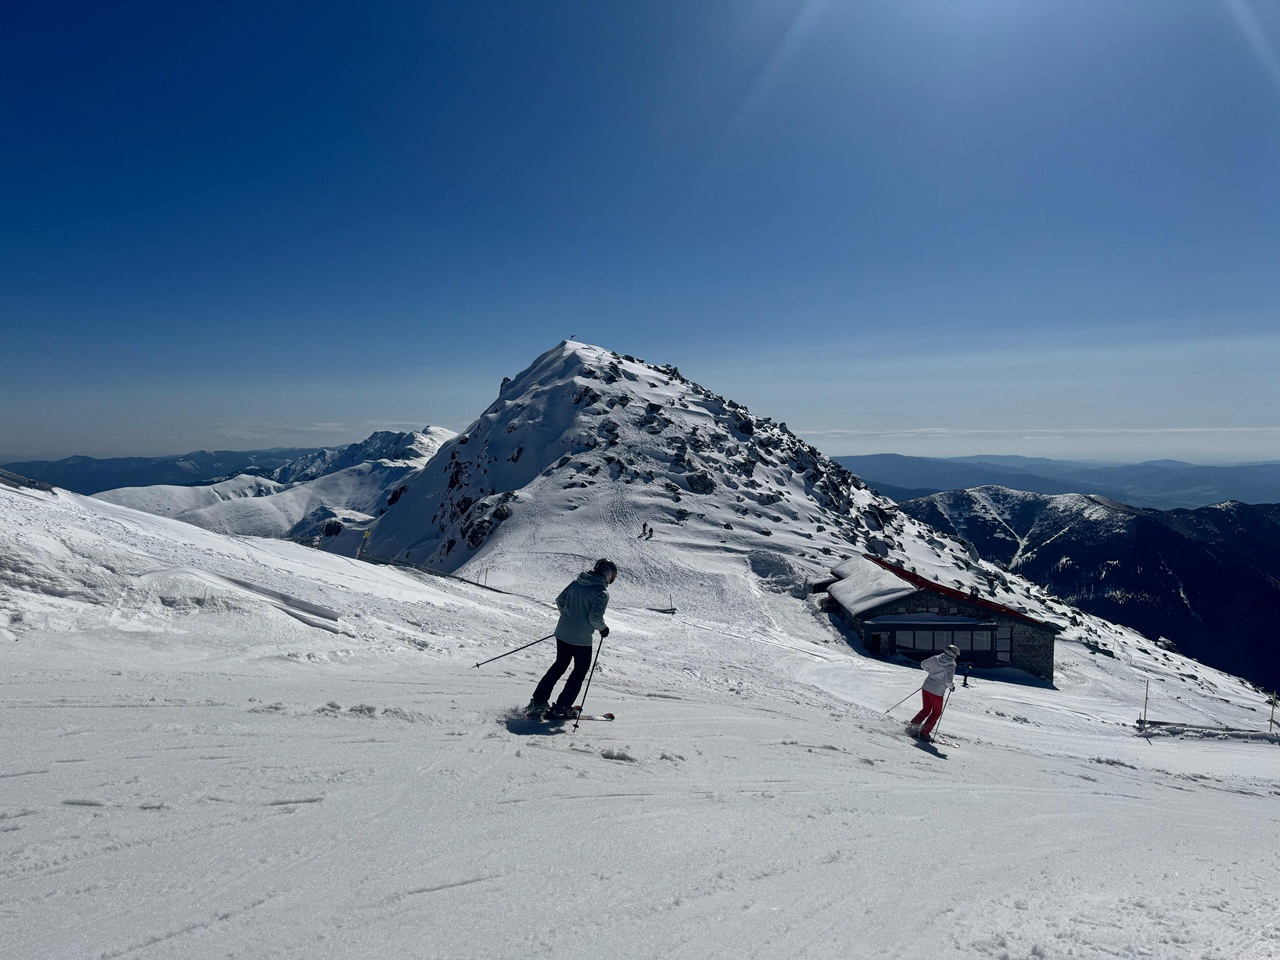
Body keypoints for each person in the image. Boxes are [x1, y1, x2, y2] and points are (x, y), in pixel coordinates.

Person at [526, 559, 617, 719]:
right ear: (609, 575)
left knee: (559, 665)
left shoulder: (577, 583)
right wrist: (603, 629)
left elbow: (560, 601)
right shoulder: (601, 592)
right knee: (579, 671)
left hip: (562, 633)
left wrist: (569, 618)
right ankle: (562, 706)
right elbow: (595, 618)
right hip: (581, 639)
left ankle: (538, 702)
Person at [908, 644, 960, 743]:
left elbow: (923, 664)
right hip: (936, 692)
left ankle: (912, 727)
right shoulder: (950, 665)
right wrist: (952, 687)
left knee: (926, 709)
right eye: (956, 655)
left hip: (926, 687)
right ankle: (924, 733)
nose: (956, 657)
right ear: (953, 654)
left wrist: (932, 672)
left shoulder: (936, 658)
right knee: (936, 713)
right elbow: (948, 682)